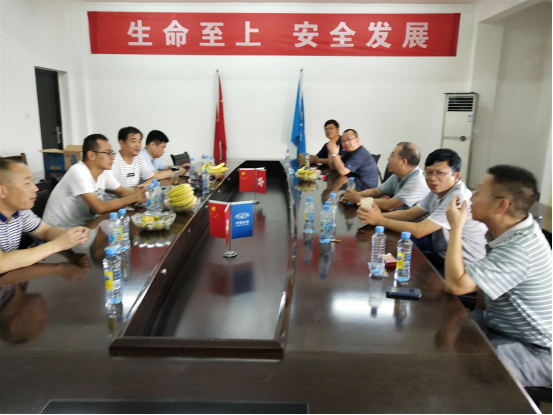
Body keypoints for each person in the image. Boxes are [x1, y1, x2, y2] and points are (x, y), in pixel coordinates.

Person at [444, 165, 551, 387]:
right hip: (500, 328)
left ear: (501, 205)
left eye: (478, 192)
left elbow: (456, 285)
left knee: (457, 372)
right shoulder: (510, 231)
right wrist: (476, 320)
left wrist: (455, 228)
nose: (471, 197)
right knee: (442, 336)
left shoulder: (520, 248)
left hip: (537, 349)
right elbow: (483, 288)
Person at [357, 149, 487, 273]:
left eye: (440, 173)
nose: (433, 178)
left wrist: (379, 220)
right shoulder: (437, 191)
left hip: (463, 266)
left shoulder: (457, 197)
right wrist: (376, 216)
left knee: (399, 265)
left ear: (455, 176)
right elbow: (409, 214)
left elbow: (420, 230)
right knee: (390, 251)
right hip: (440, 252)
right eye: (429, 172)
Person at [0, 159, 90, 275]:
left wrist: (69, 235)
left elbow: (45, 231)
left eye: (32, 182)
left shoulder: (20, 211)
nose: (35, 188)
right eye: (27, 183)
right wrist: (57, 245)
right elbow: (2, 263)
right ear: (2, 191)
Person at [43, 134, 146, 229]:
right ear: (91, 155)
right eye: (108, 153)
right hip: (59, 231)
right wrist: (134, 197)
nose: (113, 157)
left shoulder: (103, 172)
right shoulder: (78, 171)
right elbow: (99, 207)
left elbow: (121, 191)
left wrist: (140, 192)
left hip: (83, 225)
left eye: (112, 153)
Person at [341, 142, 429, 211]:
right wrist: (351, 196)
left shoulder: (417, 181)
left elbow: (389, 205)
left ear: (403, 162)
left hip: (412, 226)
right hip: (399, 219)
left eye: (392, 155)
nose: (388, 159)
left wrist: (359, 199)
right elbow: (376, 191)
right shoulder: (398, 175)